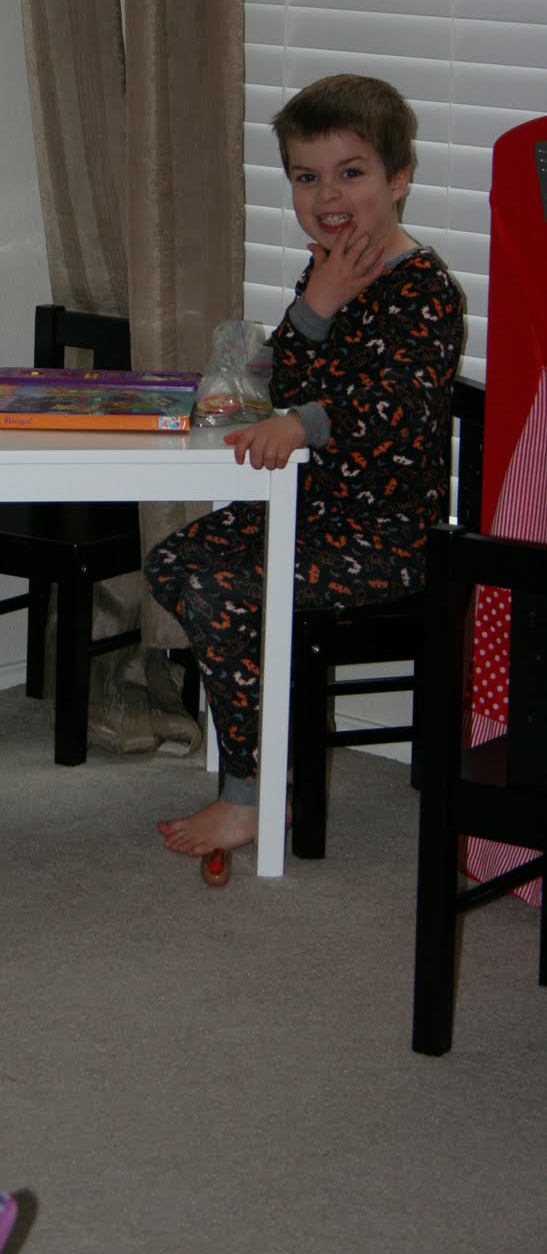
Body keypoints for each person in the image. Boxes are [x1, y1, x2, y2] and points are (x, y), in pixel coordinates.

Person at [144, 74, 465, 881]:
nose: (327, 196)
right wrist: (314, 304)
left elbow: (398, 404)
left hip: (390, 539)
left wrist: (304, 423)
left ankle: (249, 792)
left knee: (219, 590)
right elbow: (274, 380)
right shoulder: (326, 270)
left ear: (398, 178)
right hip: (313, 515)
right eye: (305, 176)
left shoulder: (425, 289)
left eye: (350, 173)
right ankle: (263, 734)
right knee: (173, 560)